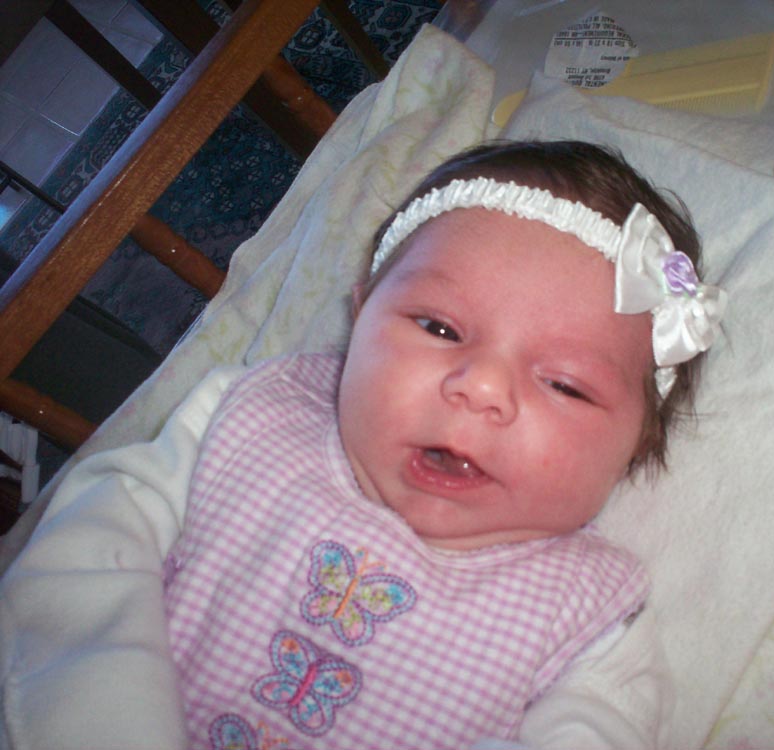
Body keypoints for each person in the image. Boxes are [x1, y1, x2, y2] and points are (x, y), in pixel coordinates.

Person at [0, 140, 725, 749]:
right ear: (360, 316)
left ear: (636, 449)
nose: (480, 387)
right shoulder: (250, 419)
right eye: (439, 328)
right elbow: (86, 560)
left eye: (565, 384)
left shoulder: (591, 623)